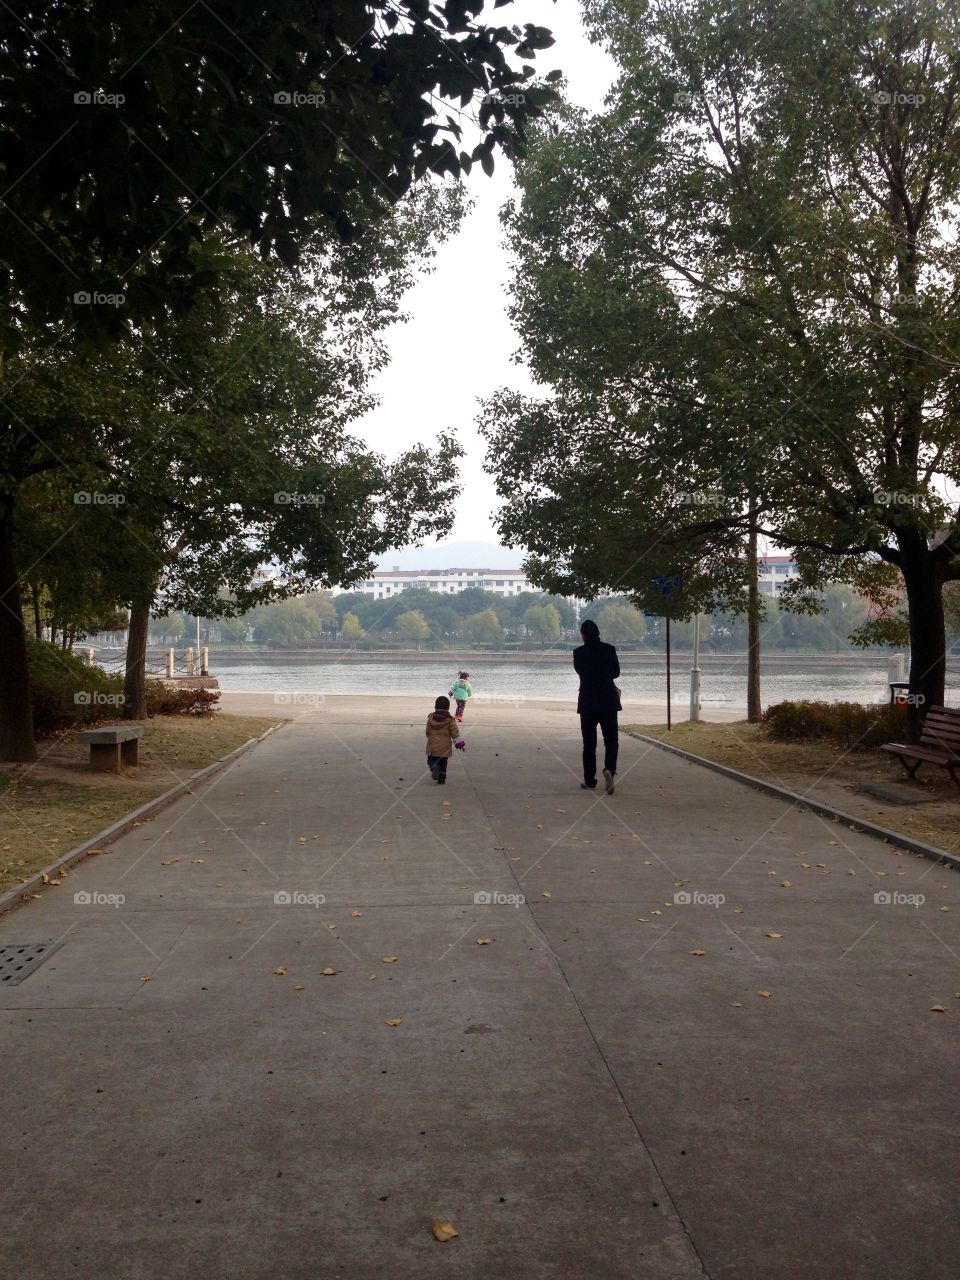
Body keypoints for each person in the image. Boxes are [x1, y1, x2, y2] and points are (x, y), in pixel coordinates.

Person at [573, 619, 620, 794]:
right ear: (598, 633)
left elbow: (581, 672)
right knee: (611, 741)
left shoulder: (578, 653)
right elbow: (616, 672)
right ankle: (609, 769)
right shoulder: (609, 650)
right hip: (608, 700)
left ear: (583, 635)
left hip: (587, 702)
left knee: (589, 743)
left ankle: (590, 780)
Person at [425, 695, 465, 784]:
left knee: (431, 759)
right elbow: (455, 733)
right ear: (448, 708)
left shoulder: (431, 718)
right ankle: (442, 777)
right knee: (443, 762)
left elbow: (428, 731)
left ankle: (434, 766)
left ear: (435, 707)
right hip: (445, 746)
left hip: (433, 745)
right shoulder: (450, 720)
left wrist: (430, 738)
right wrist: (460, 744)